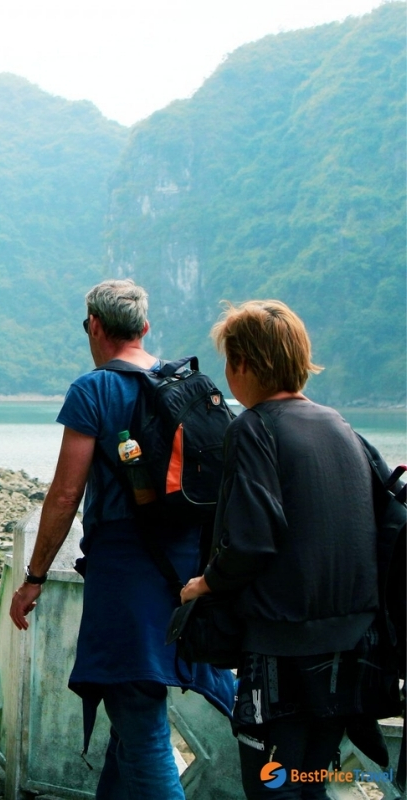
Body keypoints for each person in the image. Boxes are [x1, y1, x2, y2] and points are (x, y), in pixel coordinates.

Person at [8, 279, 234, 799]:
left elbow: (66, 495)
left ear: (94, 325)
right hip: (186, 572)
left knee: (139, 715)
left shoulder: (93, 390)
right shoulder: (183, 385)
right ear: (146, 327)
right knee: (130, 711)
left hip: (126, 575)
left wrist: (34, 577)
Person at [180, 300, 398, 799]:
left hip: (282, 649)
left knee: (271, 786)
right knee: (310, 783)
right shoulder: (343, 428)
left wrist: (204, 583)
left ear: (244, 365)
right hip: (351, 646)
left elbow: (252, 541)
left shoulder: (255, 428)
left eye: (229, 361)